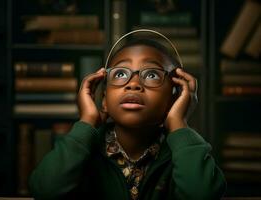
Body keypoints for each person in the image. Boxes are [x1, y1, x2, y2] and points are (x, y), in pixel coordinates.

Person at [28, 31, 226, 200]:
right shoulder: (84, 152)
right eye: (121, 74)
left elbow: (203, 194)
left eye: (151, 74)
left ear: (174, 100)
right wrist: (87, 120)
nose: (133, 83)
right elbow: (45, 190)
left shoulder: (182, 154)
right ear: (104, 99)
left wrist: (178, 123)